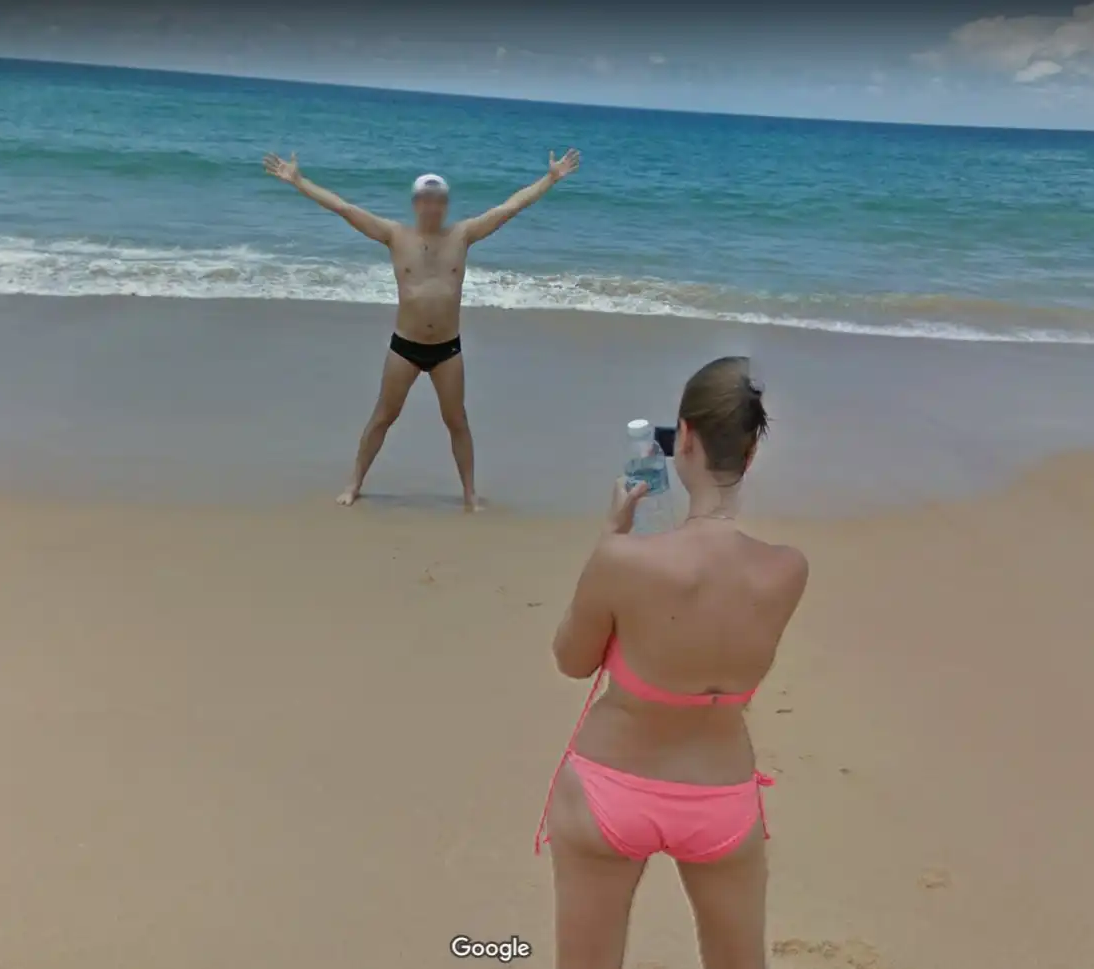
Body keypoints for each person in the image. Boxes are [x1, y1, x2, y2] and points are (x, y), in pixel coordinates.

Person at [534, 356, 810, 969]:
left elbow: (572, 660)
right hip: (719, 792)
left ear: (682, 437)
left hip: (612, 784)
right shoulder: (787, 569)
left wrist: (612, 537)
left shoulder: (625, 560)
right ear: (751, 453)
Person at [261, 148, 581, 510]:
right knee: (383, 416)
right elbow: (343, 208)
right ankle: (354, 484)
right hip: (405, 347)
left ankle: (470, 494)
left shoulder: (463, 234)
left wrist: (550, 179)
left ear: (446, 204)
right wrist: (299, 181)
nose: (432, 205)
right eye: (426, 199)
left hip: (447, 349)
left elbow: (510, 207)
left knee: (457, 421)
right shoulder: (395, 235)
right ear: (415, 203)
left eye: (438, 199)